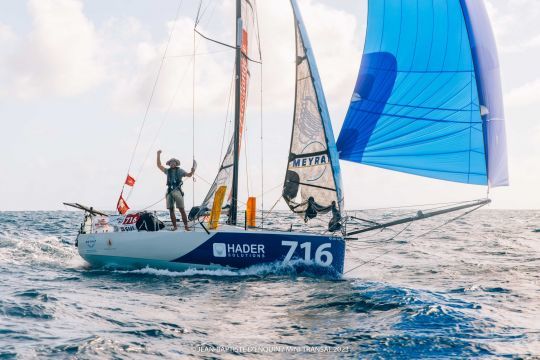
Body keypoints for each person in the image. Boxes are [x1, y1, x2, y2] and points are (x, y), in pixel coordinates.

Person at [156, 150, 195, 231]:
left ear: (176, 164)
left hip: (177, 191)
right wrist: (158, 154)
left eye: (174, 162)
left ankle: (186, 226)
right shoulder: (167, 171)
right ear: (169, 164)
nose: (172, 163)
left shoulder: (180, 171)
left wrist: (192, 171)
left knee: (182, 209)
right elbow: (159, 165)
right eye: (171, 162)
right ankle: (175, 226)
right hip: (169, 192)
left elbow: (189, 175)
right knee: (171, 209)